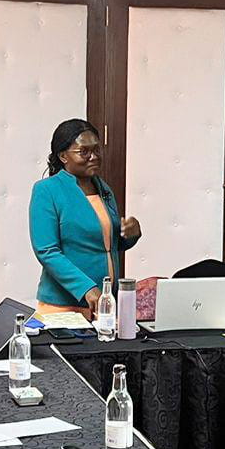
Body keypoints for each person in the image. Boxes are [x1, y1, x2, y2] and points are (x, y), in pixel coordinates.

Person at [29, 119, 141, 318]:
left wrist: (131, 234)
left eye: (96, 150)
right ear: (63, 156)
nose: (94, 157)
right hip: (64, 306)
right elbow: (47, 251)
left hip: (103, 304)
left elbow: (107, 244)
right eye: (84, 152)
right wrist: (86, 288)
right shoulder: (47, 190)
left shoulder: (103, 188)